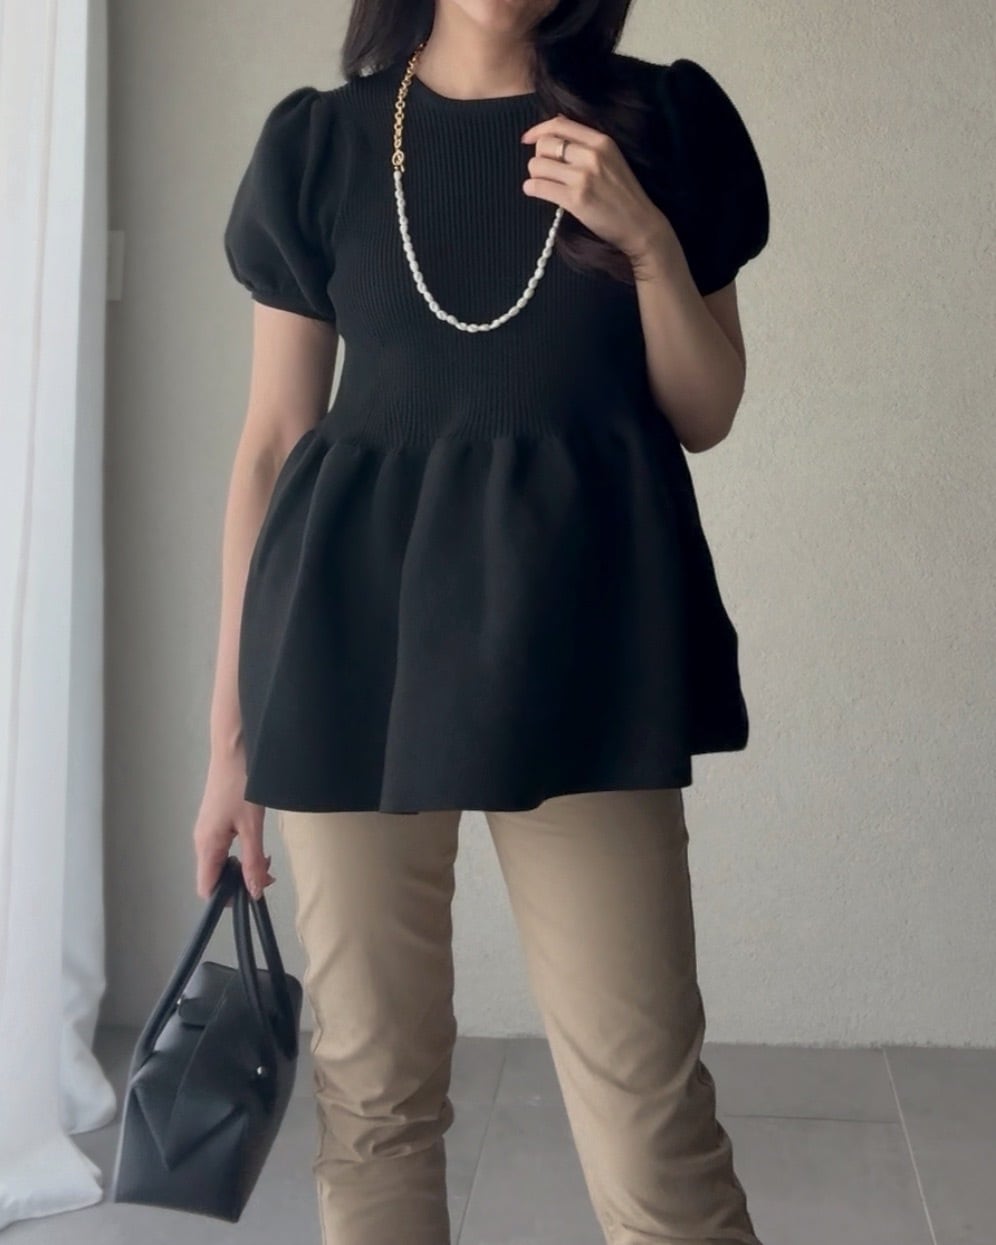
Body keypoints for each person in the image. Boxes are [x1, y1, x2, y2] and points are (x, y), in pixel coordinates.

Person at [194, 1, 770, 1241]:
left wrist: (648, 241)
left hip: (587, 657)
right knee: (373, 1105)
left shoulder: (662, 125)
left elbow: (707, 408)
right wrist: (230, 745)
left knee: (652, 1128)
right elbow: (274, 447)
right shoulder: (320, 145)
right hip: (348, 654)